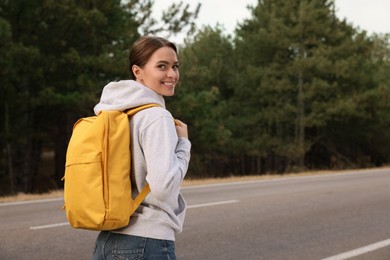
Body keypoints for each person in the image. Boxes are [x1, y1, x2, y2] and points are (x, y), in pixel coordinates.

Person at [92, 36, 191, 260]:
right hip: (147, 239)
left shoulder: (115, 114)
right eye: (161, 67)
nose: (172, 75)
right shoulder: (157, 116)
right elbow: (164, 188)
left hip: (108, 240)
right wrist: (183, 146)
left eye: (175, 66)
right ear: (138, 71)